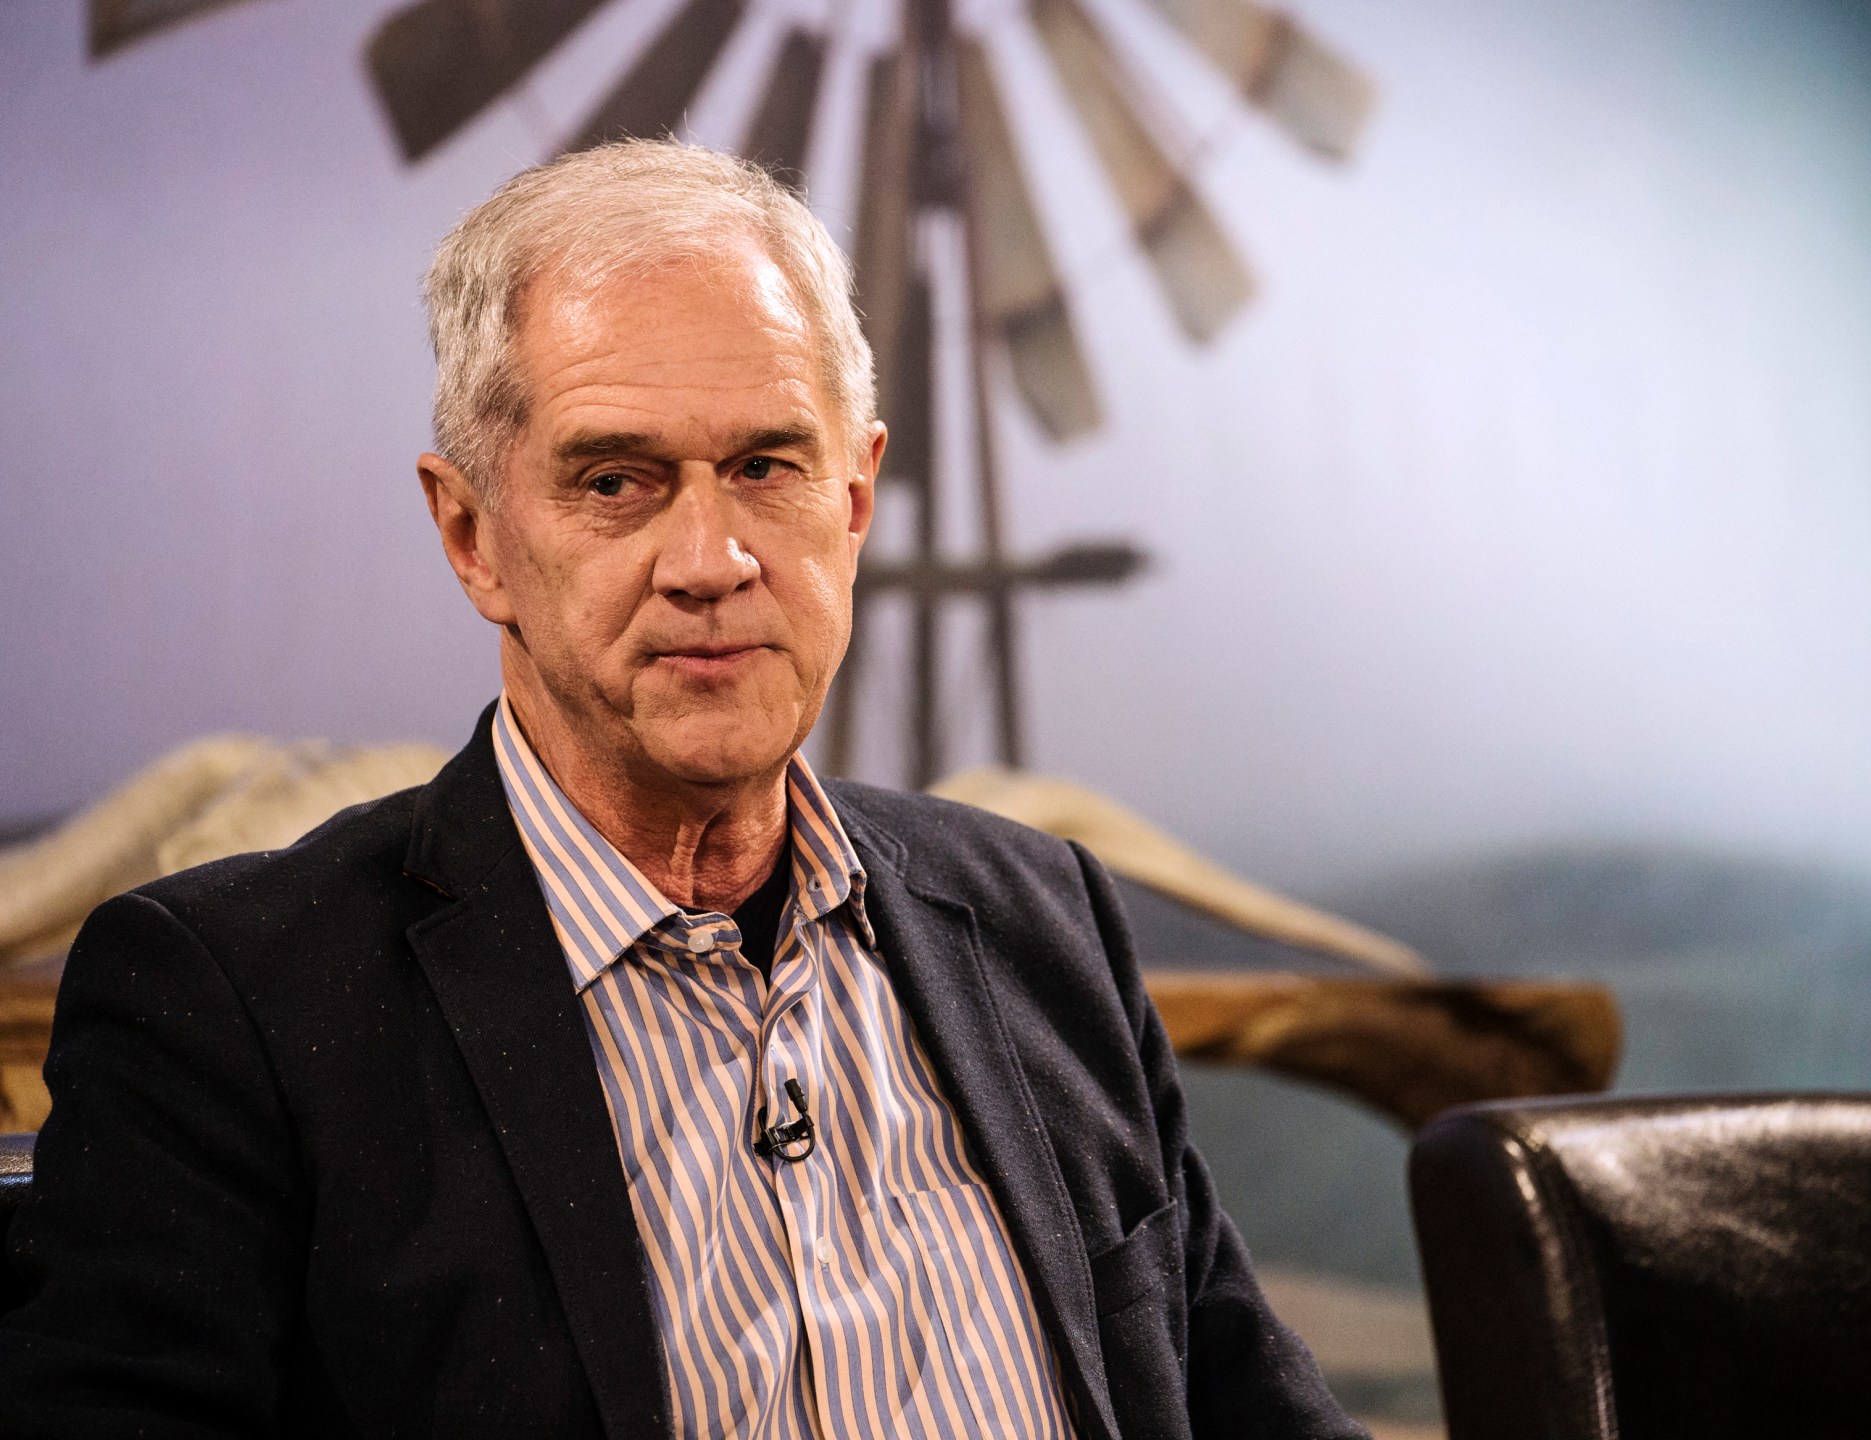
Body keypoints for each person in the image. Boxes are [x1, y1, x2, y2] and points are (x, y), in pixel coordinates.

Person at [0, 140, 1362, 1440]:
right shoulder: (234, 1008)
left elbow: (1243, 1399)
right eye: (616, 481)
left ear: (854, 499)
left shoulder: (1043, 917)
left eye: (766, 467)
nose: (710, 560)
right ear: (472, 536)